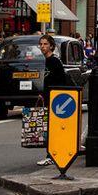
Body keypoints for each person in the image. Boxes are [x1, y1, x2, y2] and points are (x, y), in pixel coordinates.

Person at [36, 34, 72, 166]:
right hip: (49, 98)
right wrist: (42, 94)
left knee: (53, 129)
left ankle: (51, 155)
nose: (42, 47)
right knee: (51, 128)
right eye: (41, 44)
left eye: (45, 44)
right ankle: (52, 154)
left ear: (51, 46)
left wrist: (52, 95)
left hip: (55, 100)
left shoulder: (54, 61)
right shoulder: (47, 61)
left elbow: (60, 81)